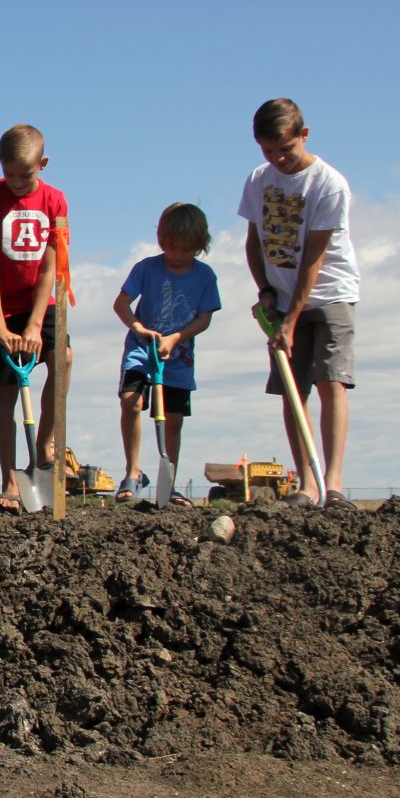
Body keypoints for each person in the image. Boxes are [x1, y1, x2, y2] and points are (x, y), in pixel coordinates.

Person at [237, 97, 361, 506]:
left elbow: (314, 258)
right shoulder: (259, 179)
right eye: (268, 151)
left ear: (303, 137)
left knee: (331, 381)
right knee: (294, 390)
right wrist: (266, 292)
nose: (277, 159)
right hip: (282, 301)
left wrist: (291, 319)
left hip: (329, 295)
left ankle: (334, 483)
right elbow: (254, 242)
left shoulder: (329, 184)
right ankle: (307, 485)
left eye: (285, 150)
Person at [0, 123, 71, 513]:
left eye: (24, 175)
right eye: (8, 173)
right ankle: (11, 479)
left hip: (40, 303)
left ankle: (44, 444)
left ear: (42, 165)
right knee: (4, 389)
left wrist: (33, 325)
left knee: (64, 359)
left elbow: (50, 267)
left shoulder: (55, 201)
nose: (15, 182)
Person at [111, 203, 221, 504]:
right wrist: (139, 328)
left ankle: (168, 481)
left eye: (186, 250)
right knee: (131, 402)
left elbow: (204, 318)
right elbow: (121, 304)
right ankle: (132, 472)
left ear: (199, 246)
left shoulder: (205, 277)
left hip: (178, 358)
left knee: (172, 418)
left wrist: (177, 338)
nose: (177, 254)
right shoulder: (146, 268)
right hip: (141, 351)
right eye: (171, 247)